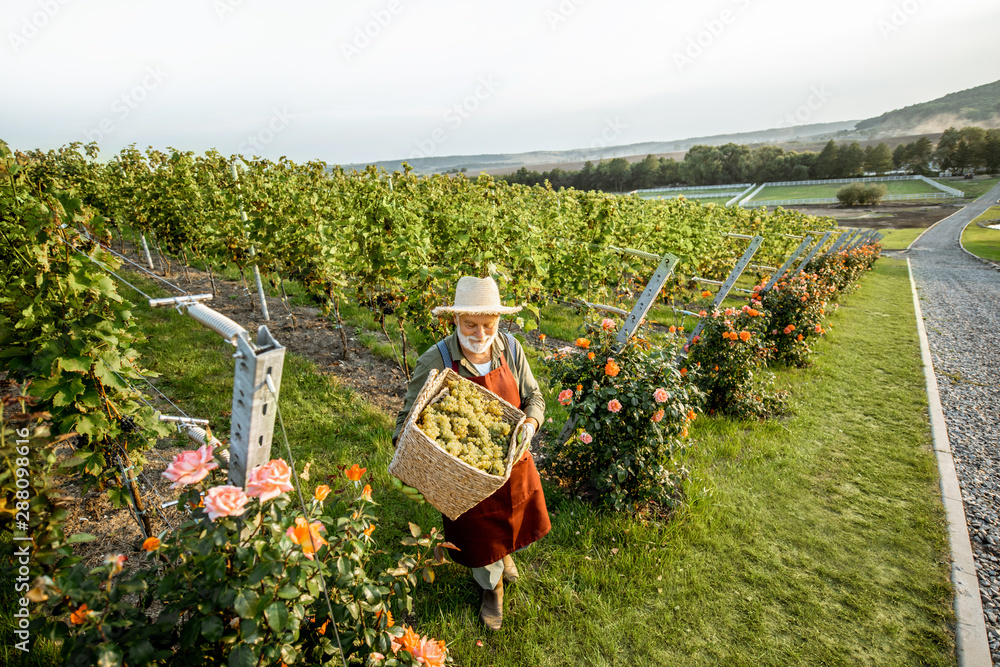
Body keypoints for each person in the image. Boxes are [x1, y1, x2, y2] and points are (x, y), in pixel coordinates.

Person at [391, 276, 550, 631]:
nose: (480, 334)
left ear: (498, 322)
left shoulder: (509, 347)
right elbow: (405, 422)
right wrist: (410, 467)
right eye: (471, 325)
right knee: (480, 533)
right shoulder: (438, 358)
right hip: (462, 471)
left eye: (488, 325)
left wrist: (530, 424)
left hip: (511, 460)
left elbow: (534, 398)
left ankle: (504, 556)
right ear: (455, 320)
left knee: (513, 517)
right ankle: (490, 589)